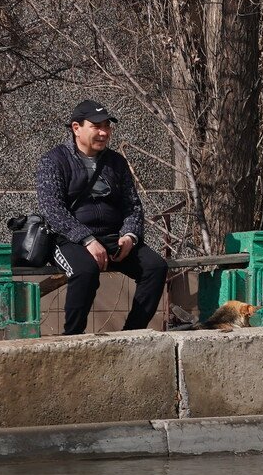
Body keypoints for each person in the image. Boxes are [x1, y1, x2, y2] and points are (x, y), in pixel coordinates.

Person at [35, 99, 169, 335]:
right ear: (76, 128)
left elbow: (133, 206)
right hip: (69, 239)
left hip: (112, 237)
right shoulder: (54, 161)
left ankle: (131, 334)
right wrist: (87, 239)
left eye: (107, 126)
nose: (103, 132)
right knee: (85, 271)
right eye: (96, 126)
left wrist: (129, 236)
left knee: (155, 267)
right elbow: (52, 209)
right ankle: (72, 339)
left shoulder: (116, 162)